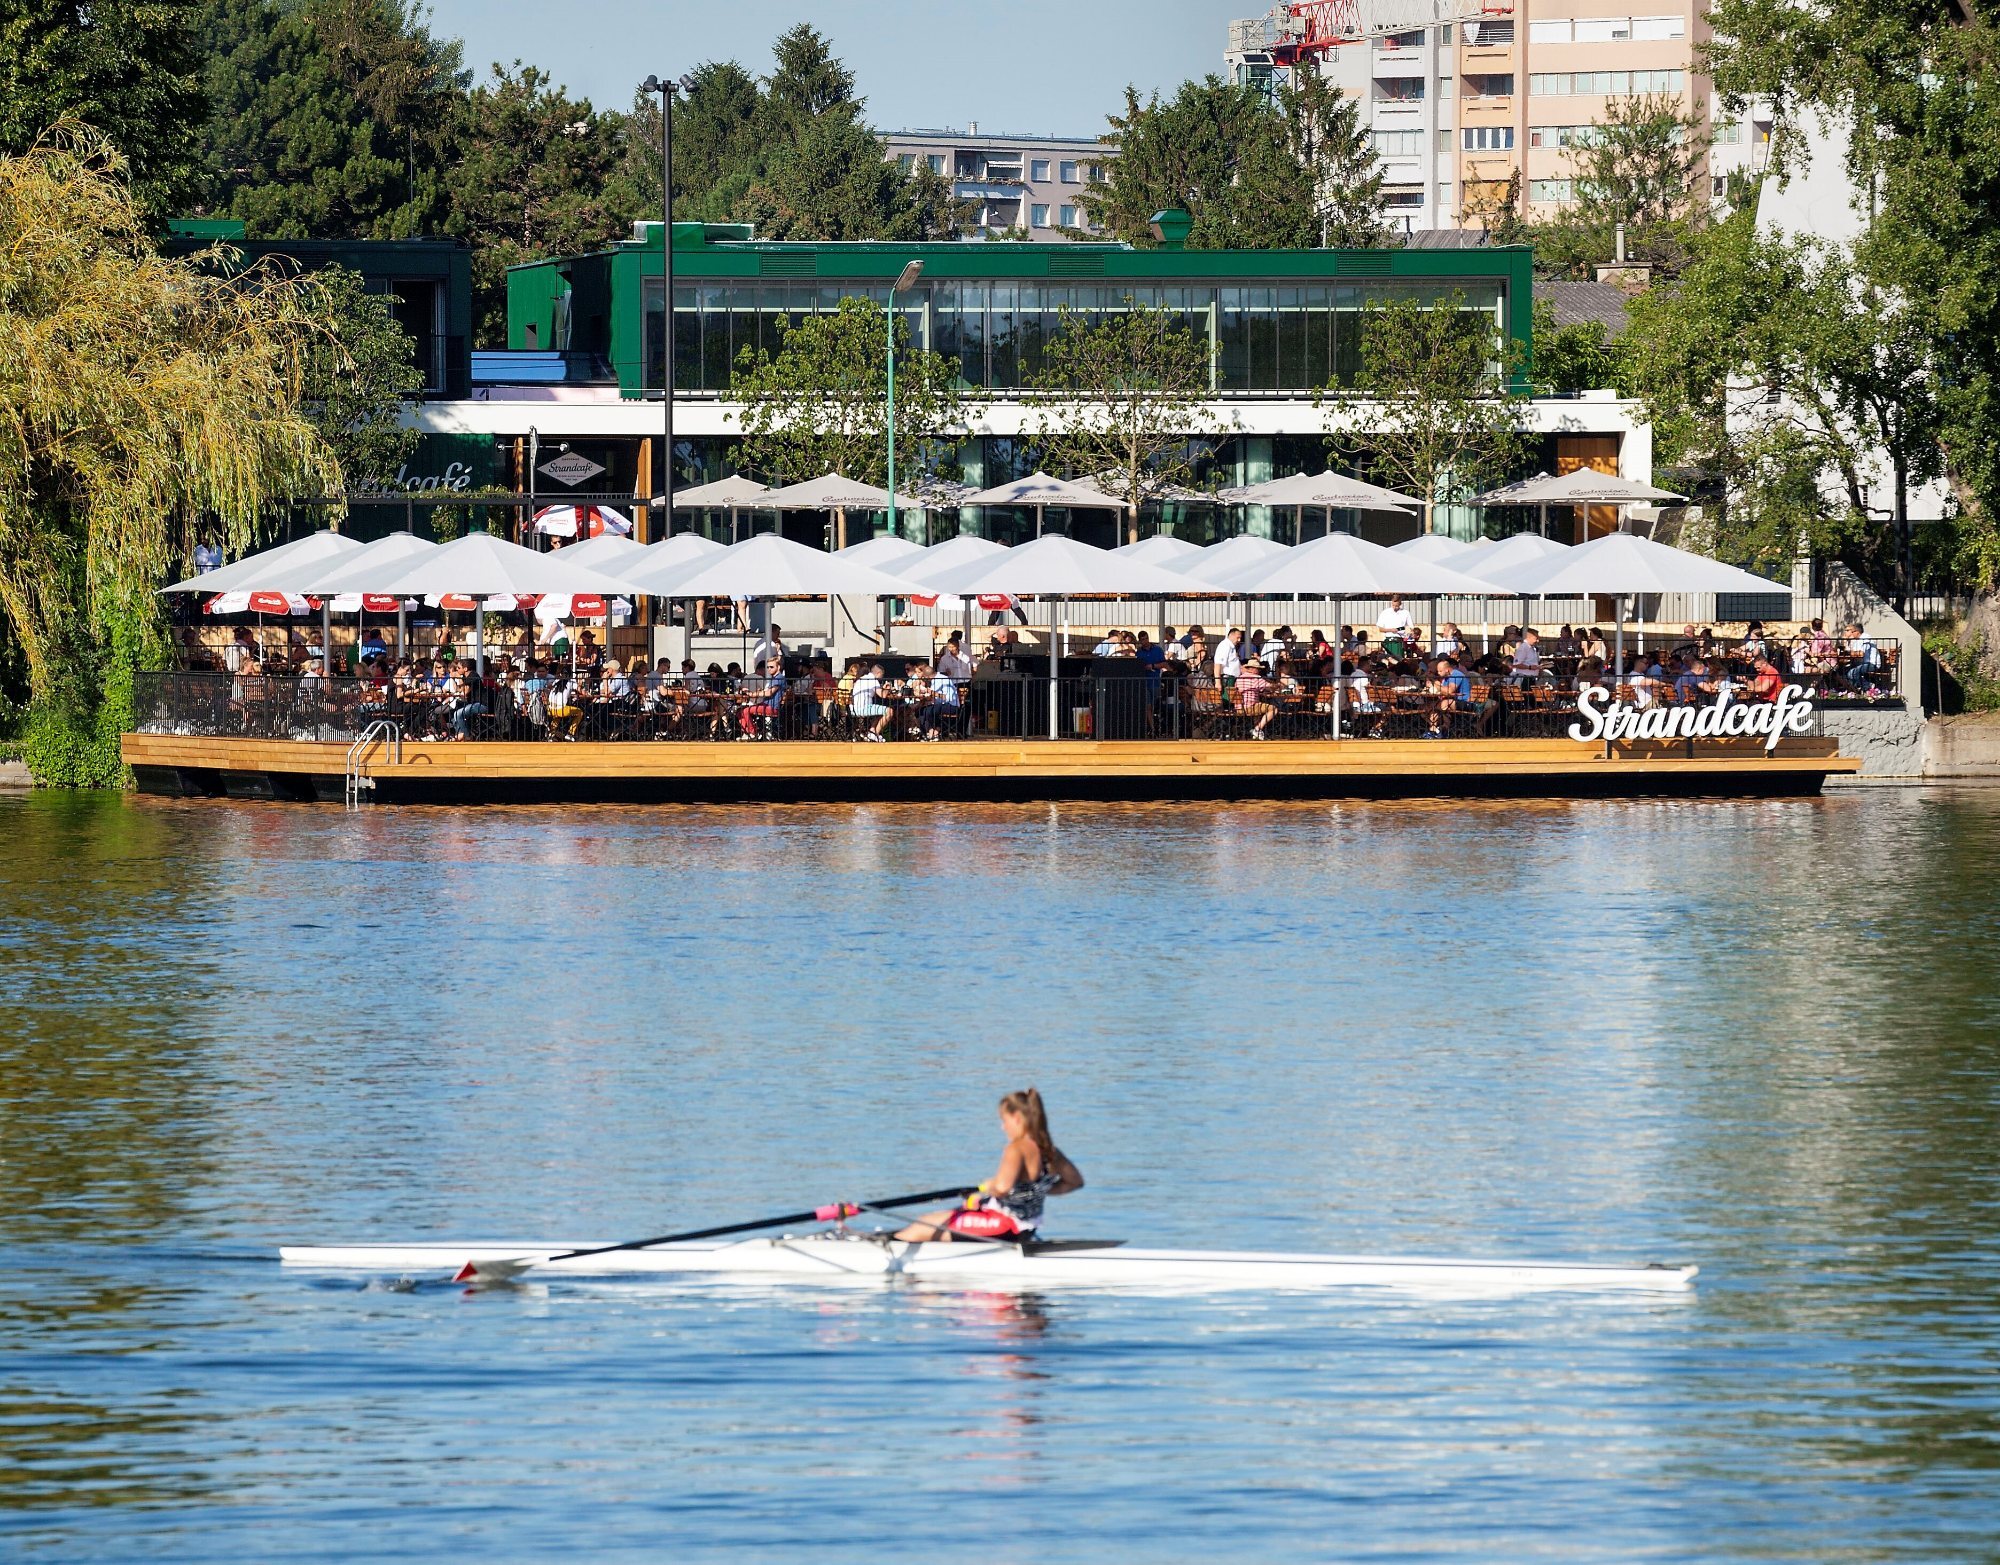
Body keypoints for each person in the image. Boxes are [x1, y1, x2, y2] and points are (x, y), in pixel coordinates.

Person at [894, 1089, 1084, 1242]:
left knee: (923, 1225)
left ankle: (889, 1252)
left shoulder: (1016, 1148)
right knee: (941, 1217)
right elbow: (1075, 1182)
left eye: (1004, 1120)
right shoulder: (1050, 1150)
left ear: (1017, 1117)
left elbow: (1002, 1187)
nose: (1003, 1127)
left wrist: (987, 1187)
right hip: (1027, 1227)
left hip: (1004, 1225)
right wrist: (1036, 1192)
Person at [1234, 656, 1278, 738]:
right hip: (1250, 707)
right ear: (1253, 669)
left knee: (1259, 707)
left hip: (1238, 708)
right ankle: (1257, 729)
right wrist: (1277, 685)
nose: (1259, 671)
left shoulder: (1239, 678)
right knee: (1273, 709)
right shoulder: (1255, 678)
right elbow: (1270, 686)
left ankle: (1256, 732)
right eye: (1258, 669)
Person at [850, 661, 894, 740]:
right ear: (878, 673)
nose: (882, 677)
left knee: (880, 711)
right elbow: (882, 695)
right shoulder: (873, 680)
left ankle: (872, 730)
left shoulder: (862, 679)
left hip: (855, 708)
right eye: (882, 675)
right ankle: (875, 734)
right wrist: (888, 688)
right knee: (889, 711)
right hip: (864, 708)